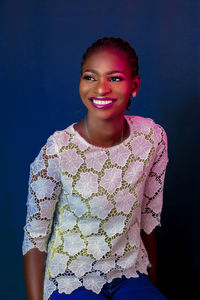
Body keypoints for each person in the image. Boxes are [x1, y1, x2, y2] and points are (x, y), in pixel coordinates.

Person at [23, 37, 169, 300]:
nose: (101, 89)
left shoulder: (152, 138)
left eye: (114, 78)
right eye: (90, 77)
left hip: (129, 276)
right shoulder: (58, 150)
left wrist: (151, 288)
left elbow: (148, 220)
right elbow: (35, 238)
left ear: (134, 86)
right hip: (71, 280)